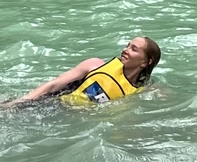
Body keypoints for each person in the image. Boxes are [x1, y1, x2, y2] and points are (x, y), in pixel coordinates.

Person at [0, 36, 161, 108]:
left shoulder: (138, 91)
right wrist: (20, 102)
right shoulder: (95, 64)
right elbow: (53, 85)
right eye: (127, 45)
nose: (125, 50)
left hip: (66, 121)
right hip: (47, 105)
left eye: (134, 49)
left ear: (146, 61)